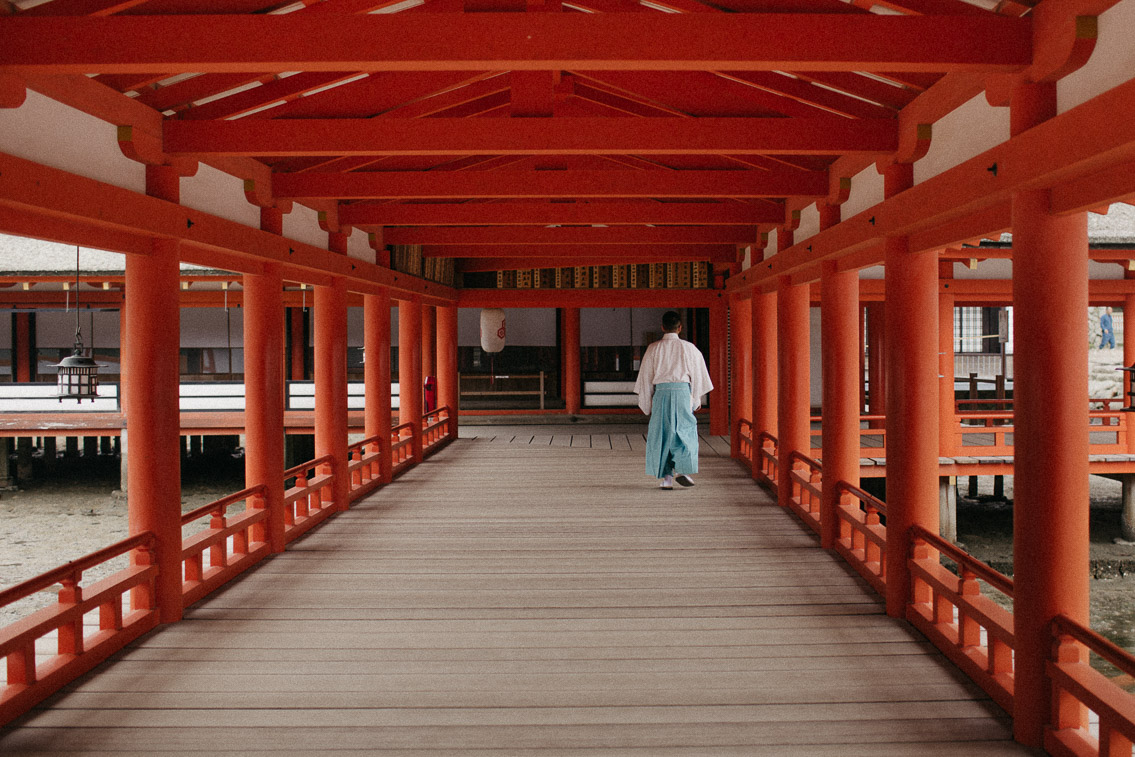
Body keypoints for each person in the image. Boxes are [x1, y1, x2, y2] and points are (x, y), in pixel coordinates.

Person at [633, 311, 714, 490]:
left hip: (661, 394)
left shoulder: (653, 348)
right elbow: (699, 376)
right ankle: (683, 470)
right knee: (685, 431)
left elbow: (646, 377)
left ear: (662, 327)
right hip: (682, 393)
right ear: (680, 328)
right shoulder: (689, 348)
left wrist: (647, 402)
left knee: (662, 434)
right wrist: (695, 398)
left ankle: (667, 479)